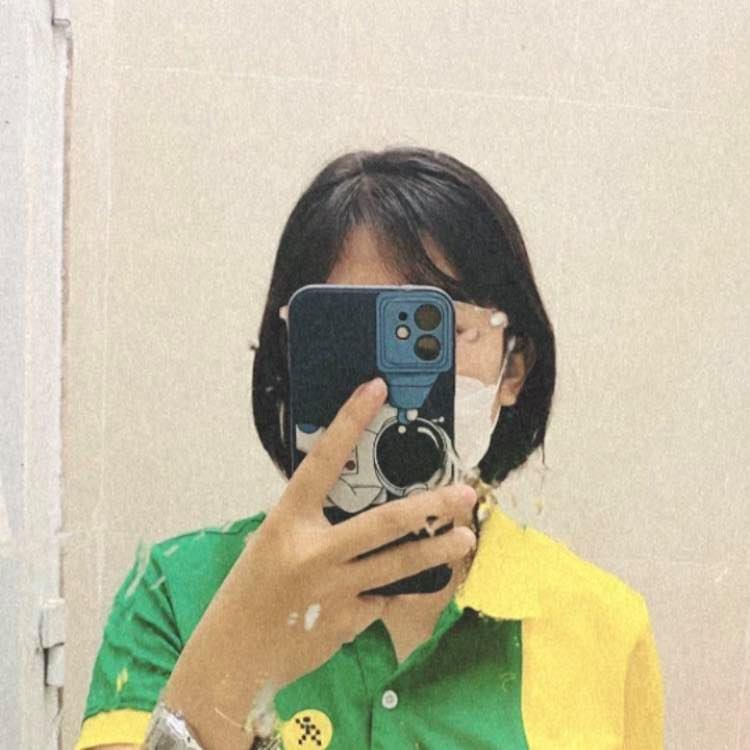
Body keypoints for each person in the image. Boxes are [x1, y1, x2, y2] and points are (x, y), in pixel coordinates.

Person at [74, 147, 664, 750]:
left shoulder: (605, 625)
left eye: (435, 331)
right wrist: (236, 661)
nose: (384, 382)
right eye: (345, 335)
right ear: (288, 360)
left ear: (513, 367)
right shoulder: (173, 592)